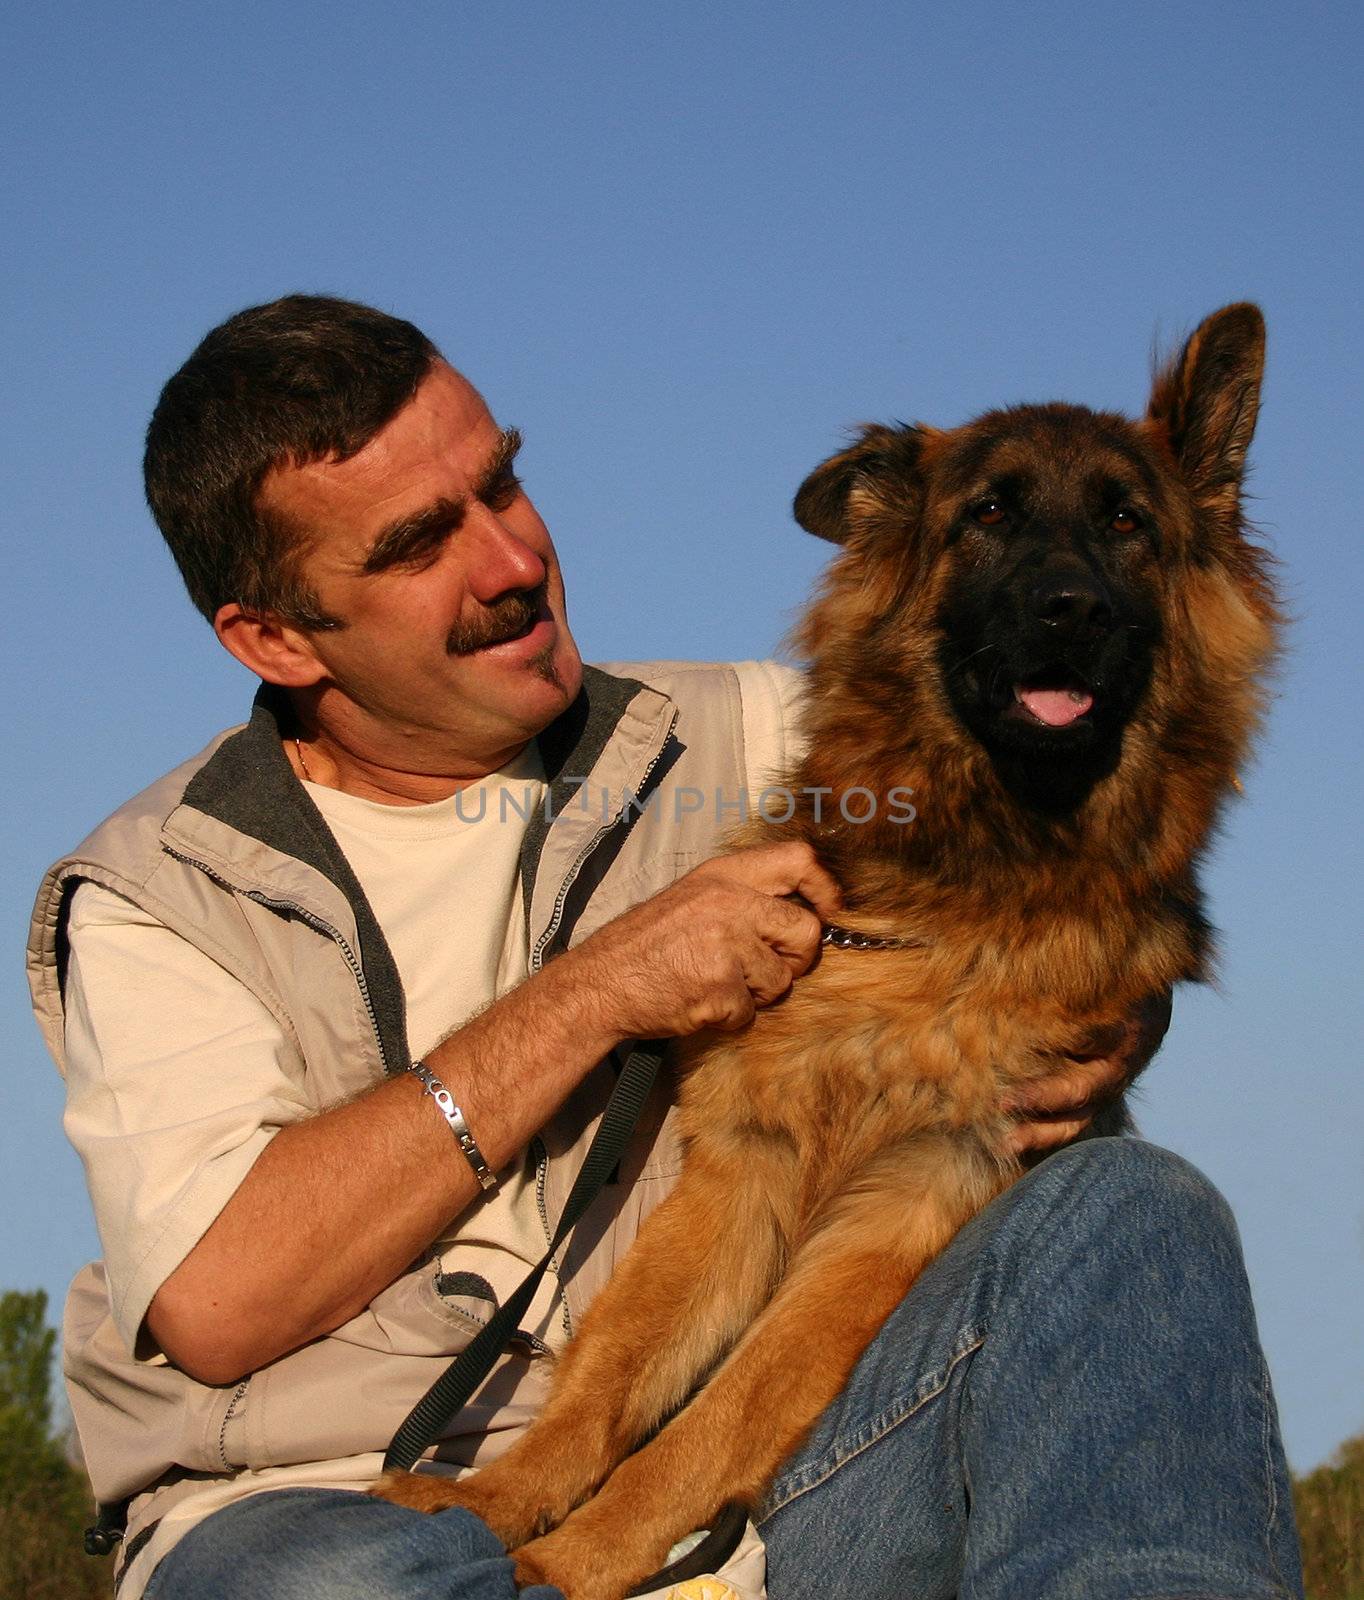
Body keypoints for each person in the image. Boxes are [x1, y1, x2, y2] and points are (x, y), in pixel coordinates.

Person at [27, 295, 1302, 1600]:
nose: (511, 559)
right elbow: (219, 1300)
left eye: (501, 485)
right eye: (421, 544)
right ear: (274, 636)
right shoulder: (158, 896)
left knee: (1141, 1216)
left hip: (745, 1506)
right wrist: (599, 993)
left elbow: (1063, 816)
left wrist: (1112, 990)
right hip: (324, 1511)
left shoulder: (754, 741)